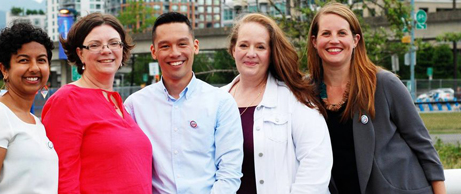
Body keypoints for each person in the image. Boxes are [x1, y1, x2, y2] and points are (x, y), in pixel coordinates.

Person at [307, 2, 445, 194]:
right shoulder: (306, 92)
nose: (334, 40)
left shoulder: (384, 83)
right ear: (314, 41)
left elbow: (423, 145)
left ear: (355, 40)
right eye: (326, 33)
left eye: (342, 33)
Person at [124, 12, 244, 193]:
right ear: (154, 51)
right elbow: (129, 165)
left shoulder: (221, 102)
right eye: (165, 46)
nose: (175, 53)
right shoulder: (135, 106)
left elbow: (229, 172)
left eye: (182, 44)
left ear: (195, 46)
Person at [221, 13, 333, 194]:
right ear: (233, 49)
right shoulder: (216, 101)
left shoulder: (295, 100)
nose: (251, 53)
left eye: (260, 47)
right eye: (243, 45)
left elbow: (316, 163)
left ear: (271, 53)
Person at [41, 13, 152, 193]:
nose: (106, 50)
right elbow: (62, 179)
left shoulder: (120, 105)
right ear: (80, 53)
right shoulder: (67, 100)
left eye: (114, 43)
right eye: (95, 45)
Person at [0, 22, 57, 193]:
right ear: (4, 69)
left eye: (41, 60)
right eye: (24, 60)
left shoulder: (34, 122)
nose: (35, 67)